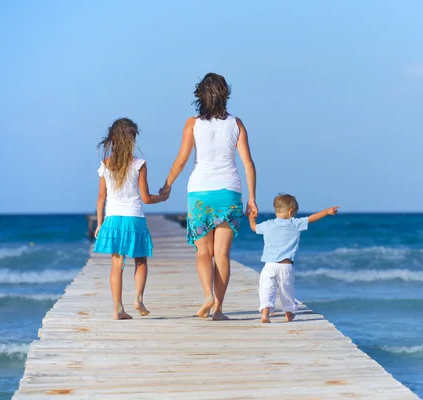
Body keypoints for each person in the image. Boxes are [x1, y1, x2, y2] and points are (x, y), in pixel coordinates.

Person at [160, 73, 257, 321]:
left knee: (203, 252)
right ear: (225, 94)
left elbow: (182, 159)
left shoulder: (192, 124)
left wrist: (167, 185)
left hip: (200, 192)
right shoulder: (236, 124)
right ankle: (219, 309)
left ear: (201, 95)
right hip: (229, 192)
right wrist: (252, 199)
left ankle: (207, 295)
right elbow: (248, 164)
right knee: (222, 255)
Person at [93, 118, 169, 320]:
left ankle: (117, 308)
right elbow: (145, 198)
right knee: (141, 260)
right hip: (134, 218)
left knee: (116, 265)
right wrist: (162, 197)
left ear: (114, 139)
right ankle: (138, 298)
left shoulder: (106, 164)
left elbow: (101, 198)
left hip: (113, 219)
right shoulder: (139, 164)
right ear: (131, 139)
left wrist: (100, 224)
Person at [248, 193, 339, 323]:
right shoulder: (294, 223)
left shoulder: (267, 225)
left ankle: (265, 315)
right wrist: (326, 211)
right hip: (286, 266)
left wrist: (251, 217)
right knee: (287, 292)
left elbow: (253, 227)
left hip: (269, 266)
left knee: (266, 289)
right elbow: (312, 218)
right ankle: (288, 315)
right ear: (291, 211)